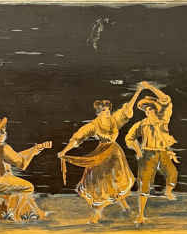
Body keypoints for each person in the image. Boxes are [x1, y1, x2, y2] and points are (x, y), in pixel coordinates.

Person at [58, 85, 143, 224]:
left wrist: (138, 91)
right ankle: (99, 214)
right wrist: (64, 151)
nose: (107, 112)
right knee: (99, 182)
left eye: (108, 110)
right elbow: (78, 137)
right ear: (98, 112)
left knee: (116, 181)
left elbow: (127, 109)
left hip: (115, 154)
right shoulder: (94, 125)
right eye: (104, 110)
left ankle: (124, 207)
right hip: (101, 154)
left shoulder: (114, 120)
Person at [0, 117, 51, 217]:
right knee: (29, 187)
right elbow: (21, 163)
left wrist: (33, 150)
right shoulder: (3, 147)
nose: (6, 134)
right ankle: (18, 213)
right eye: (4, 131)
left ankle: (30, 211)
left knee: (20, 185)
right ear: (1, 133)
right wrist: (33, 152)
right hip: (1, 183)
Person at [125, 81, 178, 226]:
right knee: (144, 183)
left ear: (156, 110)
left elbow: (166, 100)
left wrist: (149, 87)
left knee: (172, 173)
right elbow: (129, 138)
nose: (148, 112)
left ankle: (168, 191)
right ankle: (141, 215)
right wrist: (137, 150)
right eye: (146, 110)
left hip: (162, 152)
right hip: (147, 154)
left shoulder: (163, 120)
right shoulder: (141, 124)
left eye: (150, 110)